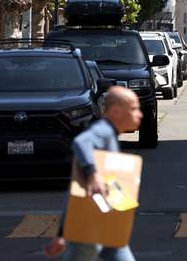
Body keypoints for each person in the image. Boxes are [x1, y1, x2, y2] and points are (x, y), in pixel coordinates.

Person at [44, 86, 143, 260]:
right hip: (87, 230)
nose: (139, 114)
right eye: (134, 108)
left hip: (105, 225)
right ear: (116, 111)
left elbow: (76, 192)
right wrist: (93, 173)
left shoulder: (110, 136)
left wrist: (61, 234)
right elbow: (81, 142)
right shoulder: (103, 131)